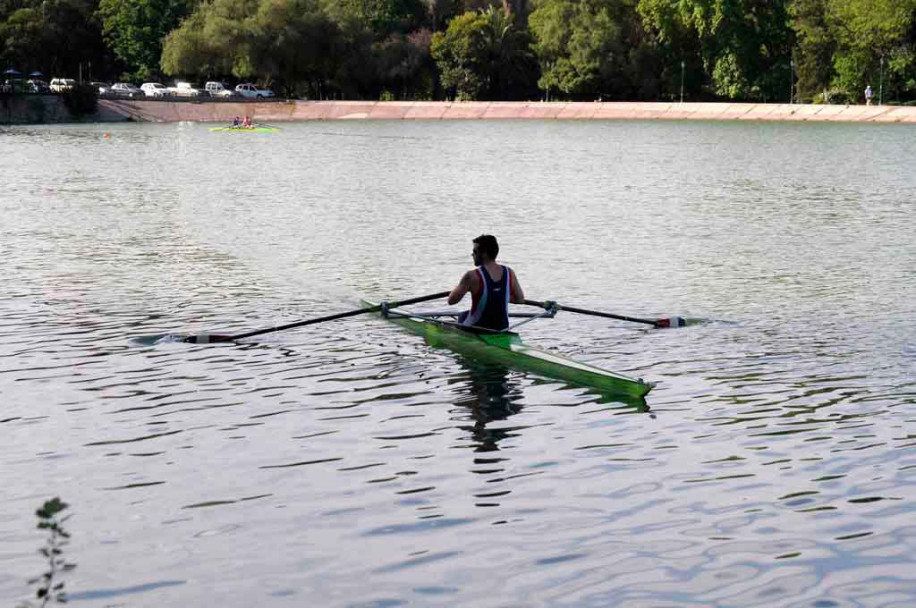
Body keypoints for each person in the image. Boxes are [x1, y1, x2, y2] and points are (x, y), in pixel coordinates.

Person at [448, 235, 525, 331]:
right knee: (466, 314)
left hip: (477, 328)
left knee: (462, 316)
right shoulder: (509, 272)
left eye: (475, 252)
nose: (472, 255)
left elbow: (451, 301)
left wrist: (459, 287)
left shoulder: (471, 276)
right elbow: (520, 299)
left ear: (484, 253)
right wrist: (499, 295)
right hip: (502, 329)